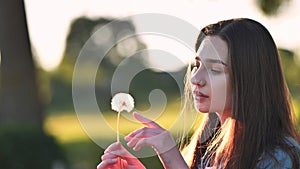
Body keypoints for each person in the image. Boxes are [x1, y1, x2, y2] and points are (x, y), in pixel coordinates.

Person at [97, 18, 300, 169]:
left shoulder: (278, 158)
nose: (195, 79)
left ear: (251, 78)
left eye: (215, 69)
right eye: (197, 65)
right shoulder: (208, 151)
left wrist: (172, 159)